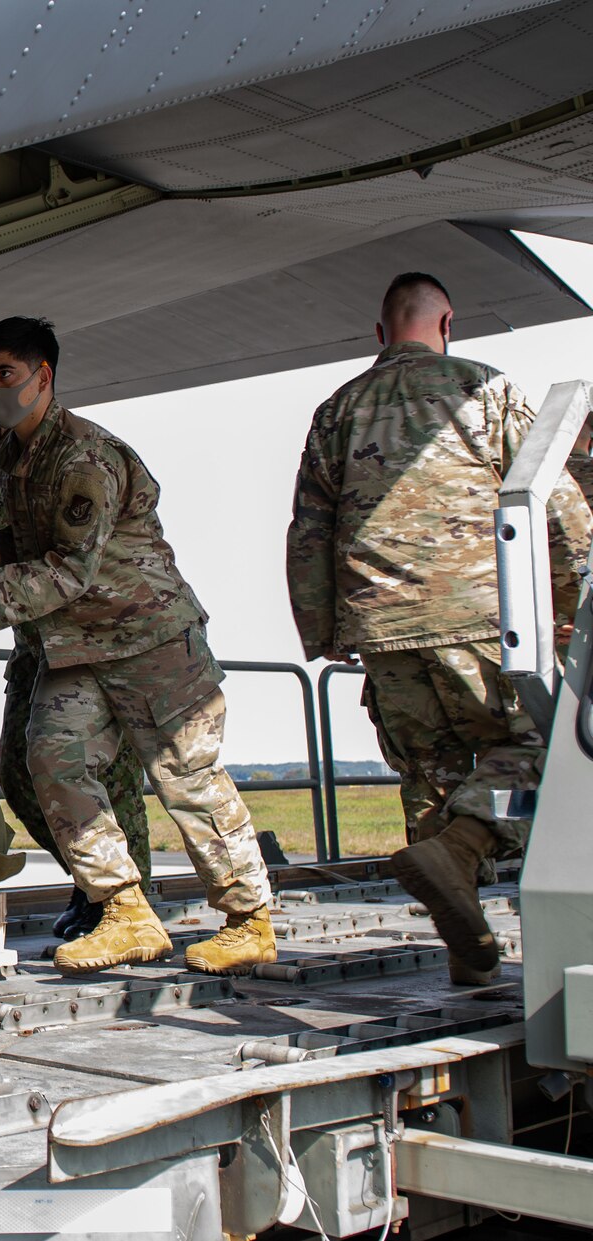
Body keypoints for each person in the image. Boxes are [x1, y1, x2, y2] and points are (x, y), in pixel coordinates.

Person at [0, 317, 274, 975]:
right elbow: (23, 546)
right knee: (51, 758)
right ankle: (124, 910)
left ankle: (249, 919)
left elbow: (70, 568)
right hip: (78, 645)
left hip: (149, 637)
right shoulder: (17, 462)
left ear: (42, 377)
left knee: (186, 777)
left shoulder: (83, 455)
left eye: (7, 375)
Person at [286, 271, 591, 983]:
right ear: (448, 323)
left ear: (380, 333)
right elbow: (558, 503)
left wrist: (323, 631)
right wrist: (575, 607)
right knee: (542, 744)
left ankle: (467, 950)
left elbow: (309, 531)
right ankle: (466, 850)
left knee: (430, 776)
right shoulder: (487, 390)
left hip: (380, 628)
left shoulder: (337, 411)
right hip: (477, 614)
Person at [0, 373, 153, 941]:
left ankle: (126, 905)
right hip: (36, 643)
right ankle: (96, 884)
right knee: (18, 774)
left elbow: (53, 558)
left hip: (96, 639)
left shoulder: (58, 463)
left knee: (112, 781)